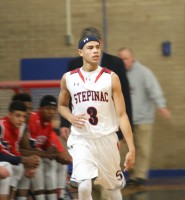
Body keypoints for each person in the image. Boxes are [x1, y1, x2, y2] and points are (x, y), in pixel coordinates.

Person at [58, 36, 135, 200]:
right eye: (90, 47)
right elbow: (62, 106)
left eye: (97, 47)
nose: (95, 50)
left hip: (106, 139)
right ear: (80, 52)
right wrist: (70, 118)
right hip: (82, 139)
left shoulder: (111, 77)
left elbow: (122, 114)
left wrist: (131, 147)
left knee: (112, 190)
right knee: (84, 187)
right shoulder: (68, 78)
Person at [60, 27, 132, 141]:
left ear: (101, 42)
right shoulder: (74, 65)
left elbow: (125, 97)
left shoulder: (116, 63)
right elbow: (67, 99)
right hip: (82, 131)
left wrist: (127, 128)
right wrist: (65, 123)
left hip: (108, 128)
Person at [118, 47, 171, 186]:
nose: (123, 61)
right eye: (121, 58)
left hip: (143, 119)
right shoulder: (119, 74)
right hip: (127, 119)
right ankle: (134, 175)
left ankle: (140, 175)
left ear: (132, 58)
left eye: (125, 58)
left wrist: (161, 105)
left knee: (143, 148)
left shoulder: (144, 72)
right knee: (129, 148)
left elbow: (154, 89)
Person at [17, 94, 72, 200]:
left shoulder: (48, 124)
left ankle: (60, 195)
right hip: (28, 157)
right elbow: (29, 149)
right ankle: (41, 197)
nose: (51, 112)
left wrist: (55, 152)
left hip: (37, 155)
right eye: (48, 108)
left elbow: (50, 147)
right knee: (38, 162)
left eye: (53, 109)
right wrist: (50, 154)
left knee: (60, 164)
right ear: (40, 109)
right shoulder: (33, 119)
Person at [0, 100, 40, 200]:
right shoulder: (1, 126)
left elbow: (14, 151)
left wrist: (27, 164)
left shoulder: (18, 129)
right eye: (17, 115)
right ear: (9, 115)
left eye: (23, 116)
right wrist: (23, 160)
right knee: (7, 167)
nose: (21, 120)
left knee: (20, 167)